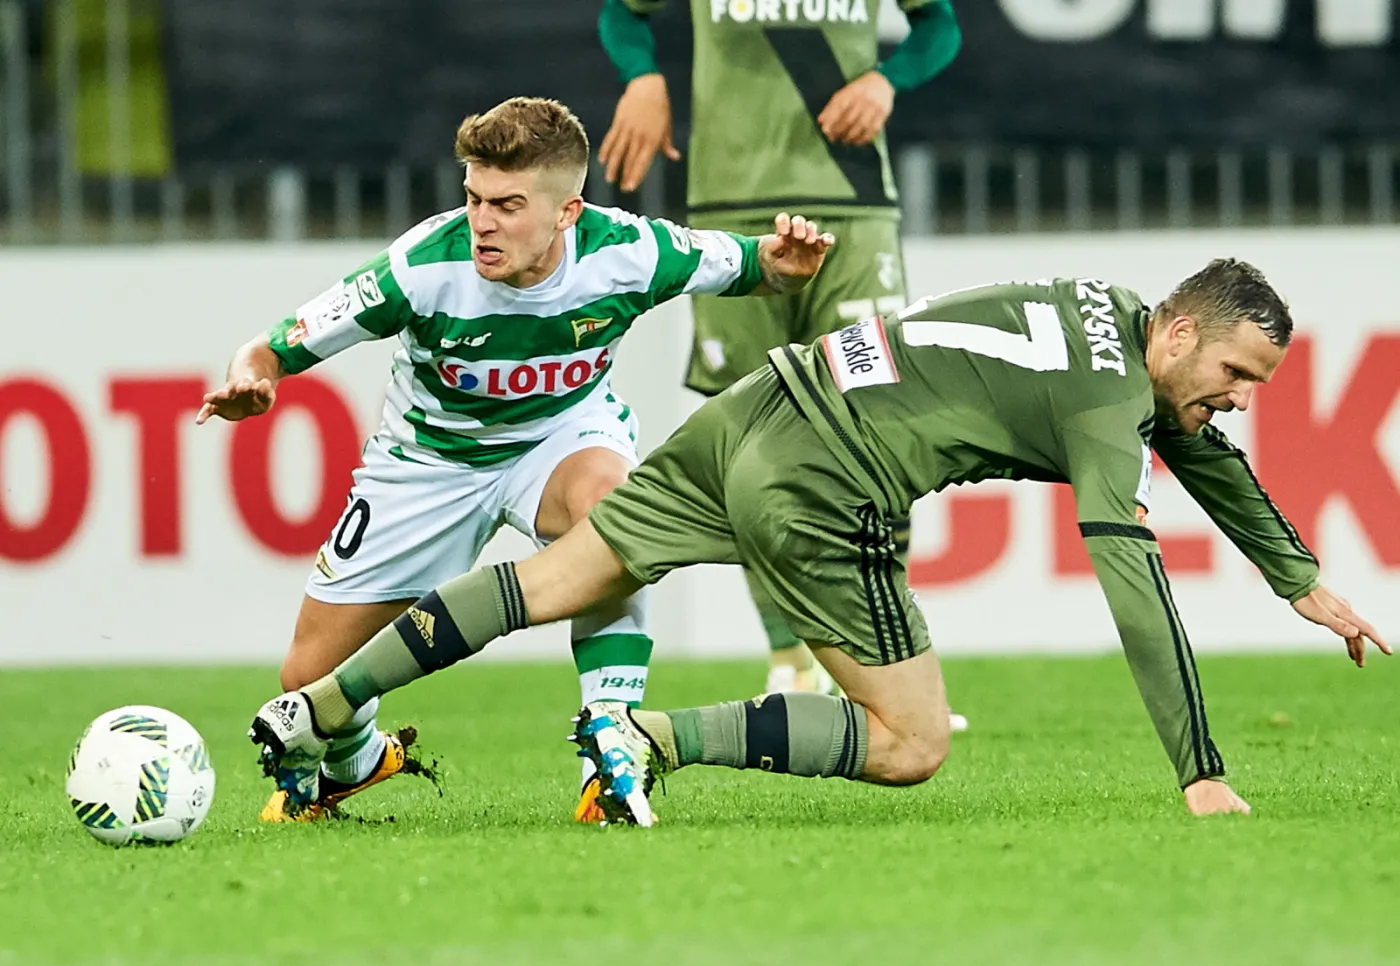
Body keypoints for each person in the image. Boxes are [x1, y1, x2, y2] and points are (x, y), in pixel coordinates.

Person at [248, 259, 1390, 826]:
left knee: (555, 577)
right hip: (825, 485)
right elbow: (1129, 578)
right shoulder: (1106, 404)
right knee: (908, 743)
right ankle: (649, 739)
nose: (1237, 397)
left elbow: (1198, 448)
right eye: (1234, 373)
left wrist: (1296, 581)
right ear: (1179, 334)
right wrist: (1200, 774)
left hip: (756, 408)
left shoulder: (1110, 312)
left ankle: (324, 706)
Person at [196, 96, 835, 823]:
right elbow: (276, 344)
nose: (482, 221)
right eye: (473, 198)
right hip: (428, 464)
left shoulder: (631, 252)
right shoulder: (423, 268)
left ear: (568, 212)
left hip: (560, 441)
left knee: (611, 511)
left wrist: (793, 265)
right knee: (308, 681)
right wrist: (255, 380)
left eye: (506, 204)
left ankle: (612, 740)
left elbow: (758, 264)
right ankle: (359, 763)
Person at [596, 0, 964, 697]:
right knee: (751, 442)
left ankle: (890, 663)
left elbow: (940, 25)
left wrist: (886, 81)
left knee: (884, 425)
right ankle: (791, 661)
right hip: (732, 217)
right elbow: (623, 13)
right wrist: (642, 78)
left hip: (853, 213)